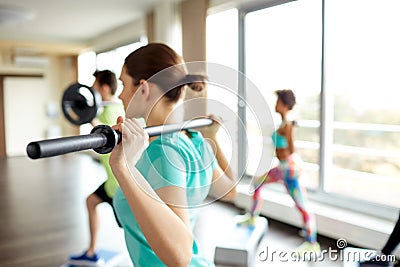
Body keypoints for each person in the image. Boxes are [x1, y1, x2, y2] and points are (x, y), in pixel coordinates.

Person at [109, 43, 237, 266]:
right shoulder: (194, 139)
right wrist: (213, 138)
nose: (120, 95)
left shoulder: (163, 151)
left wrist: (123, 167)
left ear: (143, 88)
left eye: (123, 84)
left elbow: (180, 257)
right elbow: (230, 191)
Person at [238, 89, 321, 256]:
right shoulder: (284, 124)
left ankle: (312, 243)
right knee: (257, 183)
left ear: (284, 105)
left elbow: (291, 149)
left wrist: (288, 133)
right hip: (282, 168)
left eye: (277, 102)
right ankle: (253, 216)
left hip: (289, 170)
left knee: (302, 205)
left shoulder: (288, 125)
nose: (275, 105)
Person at [69, 70, 125, 265]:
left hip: (120, 188)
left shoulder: (112, 112)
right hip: (112, 183)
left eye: (95, 86)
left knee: (133, 230)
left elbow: (105, 137)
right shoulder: (112, 109)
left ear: (105, 88)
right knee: (91, 201)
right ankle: (92, 252)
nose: (92, 90)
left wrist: (90, 116)